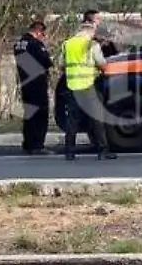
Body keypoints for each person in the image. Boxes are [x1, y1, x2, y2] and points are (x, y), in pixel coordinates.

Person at [60, 21, 116, 160]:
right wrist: (97, 70)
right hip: (88, 86)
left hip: (72, 85)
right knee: (97, 118)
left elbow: (62, 65)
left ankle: (69, 152)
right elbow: (102, 65)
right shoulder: (92, 45)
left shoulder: (67, 44)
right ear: (90, 32)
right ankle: (103, 150)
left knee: (72, 120)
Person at [14, 20, 52, 154]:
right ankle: (37, 145)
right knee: (40, 115)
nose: (43, 37)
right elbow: (46, 61)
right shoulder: (35, 44)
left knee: (29, 114)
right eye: (43, 34)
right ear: (38, 31)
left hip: (25, 82)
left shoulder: (19, 44)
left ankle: (28, 143)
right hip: (37, 82)